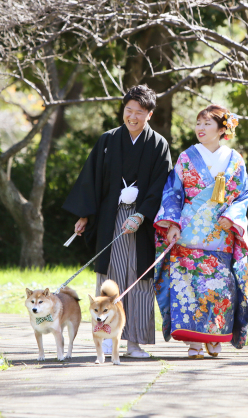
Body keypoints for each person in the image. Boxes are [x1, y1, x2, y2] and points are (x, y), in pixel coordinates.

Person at [63, 85, 172, 358]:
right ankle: (107, 343)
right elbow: (93, 180)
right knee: (109, 279)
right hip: (111, 217)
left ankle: (134, 343)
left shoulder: (159, 145)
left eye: (139, 112)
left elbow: (161, 185)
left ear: (149, 114)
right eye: (128, 110)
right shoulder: (108, 140)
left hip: (141, 222)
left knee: (138, 280)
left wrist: (142, 214)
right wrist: (85, 215)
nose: (132, 117)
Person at [153, 104, 248, 359]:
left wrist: (232, 217)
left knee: (219, 288)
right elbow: (173, 192)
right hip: (188, 232)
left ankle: (215, 336)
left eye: (207, 124)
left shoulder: (235, 160)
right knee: (188, 288)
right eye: (198, 123)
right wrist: (172, 224)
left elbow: (243, 195)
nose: (200, 128)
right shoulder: (186, 157)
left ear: (222, 129)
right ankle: (194, 341)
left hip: (220, 233)